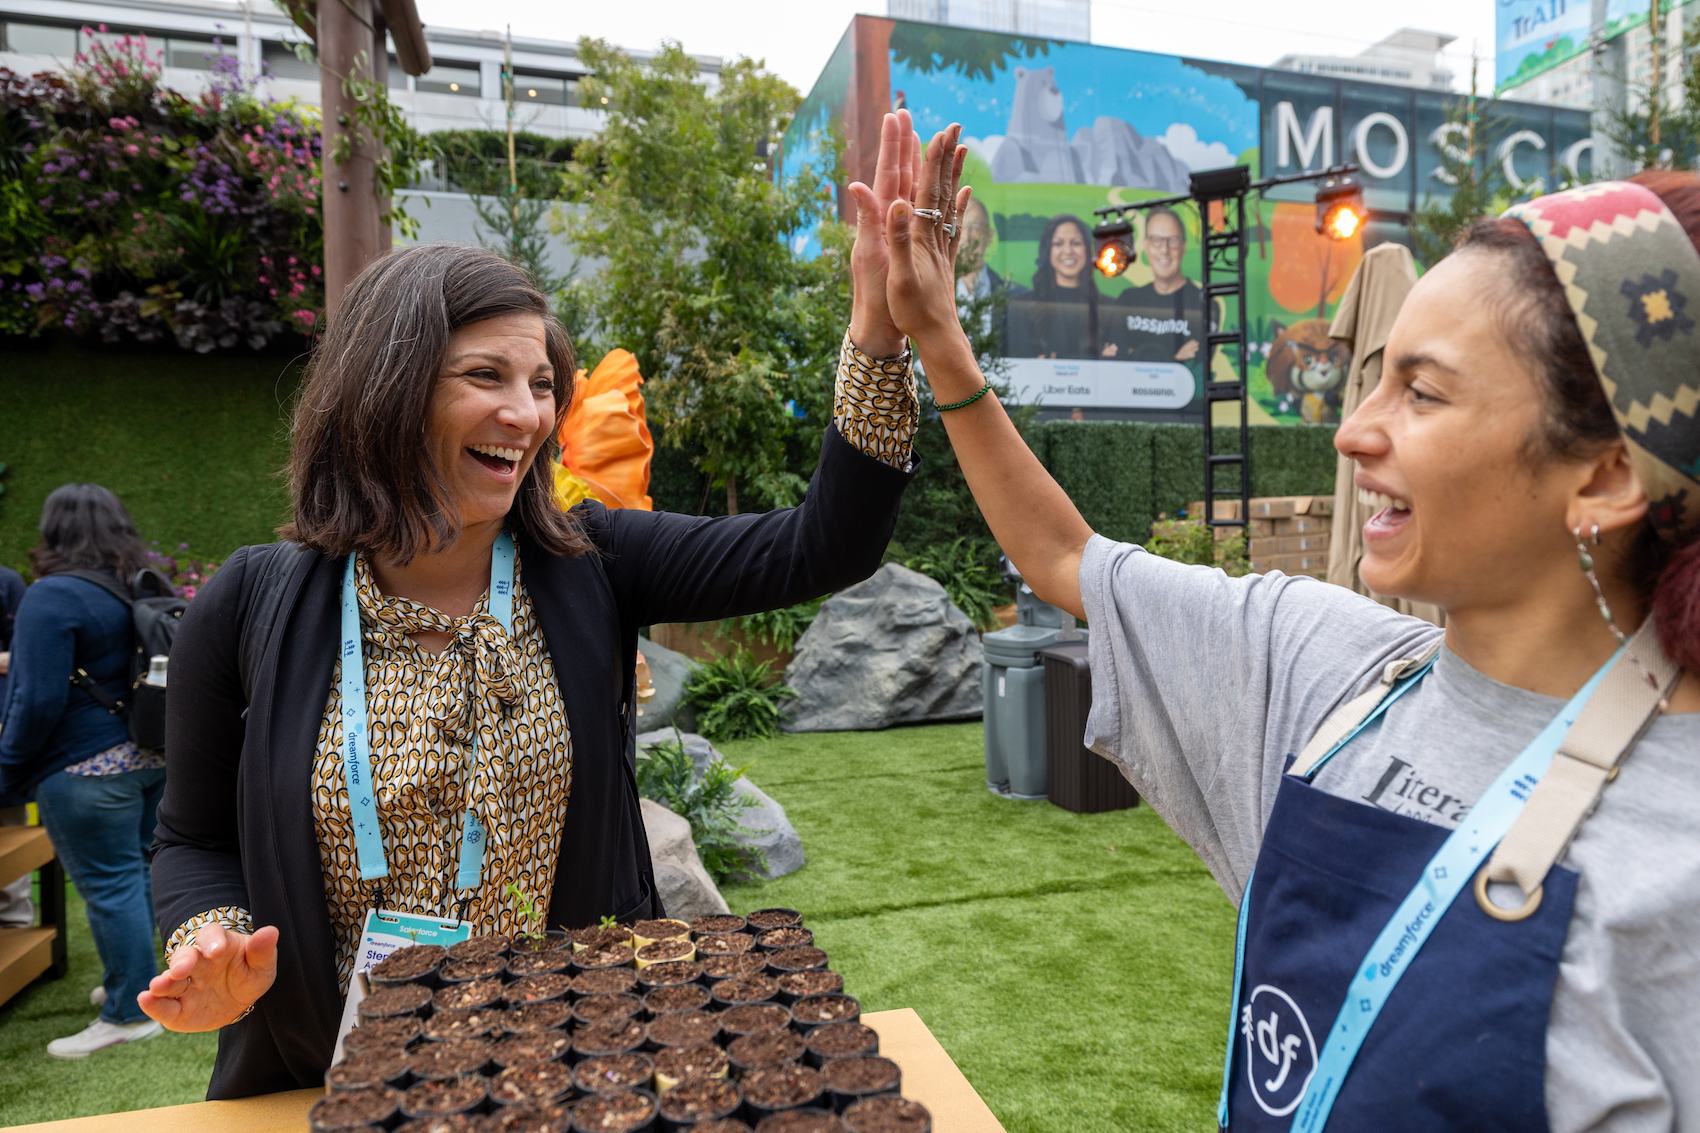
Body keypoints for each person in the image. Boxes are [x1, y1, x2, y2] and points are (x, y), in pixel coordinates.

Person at [882, 131, 1700, 1128]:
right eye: (1377, 377)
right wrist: (937, 338)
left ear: (1605, 474)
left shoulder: (1677, 856)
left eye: (1422, 391)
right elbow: (1062, 558)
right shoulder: (1320, 670)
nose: (1351, 430)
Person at [139, 110, 933, 1098]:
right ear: (385, 389)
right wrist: (206, 938)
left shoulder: (591, 560)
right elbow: (194, 838)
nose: (527, 414)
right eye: (485, 376)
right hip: (329, 1083)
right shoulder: (251, 602)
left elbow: (827, 542)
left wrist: (878, 334)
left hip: (565, 1079)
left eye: (542, 382)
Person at [0, 485, 168, 1057]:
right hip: (149, 758)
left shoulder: (51, 597)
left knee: (110, 885)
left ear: (53, 531)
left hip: (85, 770)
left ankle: (129, 1012)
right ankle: (138, 984)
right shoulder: (134, 586)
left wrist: (8, 768)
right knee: (137, 875)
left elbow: (35, 701)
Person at [1100, 206, 1204, 376]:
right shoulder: (1128, 299)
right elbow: (1115, 356)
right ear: (1146, 246)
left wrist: (1134, 355)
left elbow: (1196, 363)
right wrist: (1176, 358)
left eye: (1173, 240)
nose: (1165, 249)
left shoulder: (1202, 302)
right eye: (1157, 240)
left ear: (1184, 247)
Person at [1006, 213, 1098, 359]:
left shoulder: (1108, 307)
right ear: (1047, 250)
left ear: (1087, 249)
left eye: (1076, 243)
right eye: (1058, 243)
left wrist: (1054, 356)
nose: (1068, 251)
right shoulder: (1022, 306)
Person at [0, 562, 33, 932]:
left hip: (3, 729)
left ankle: (15, 926)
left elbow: (22, 657)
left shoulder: (7, 581)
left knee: (11, 829)